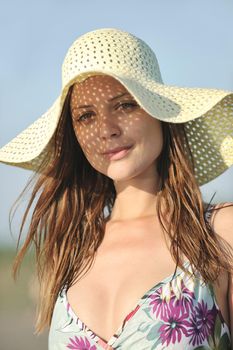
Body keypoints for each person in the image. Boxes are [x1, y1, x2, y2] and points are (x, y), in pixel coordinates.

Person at [0, 28, 233, 350]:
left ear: (160, 113)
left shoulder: (218, 233)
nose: (106, 130)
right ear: (74, 136)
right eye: (86, 116)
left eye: (124, 105)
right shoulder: (71, 248)